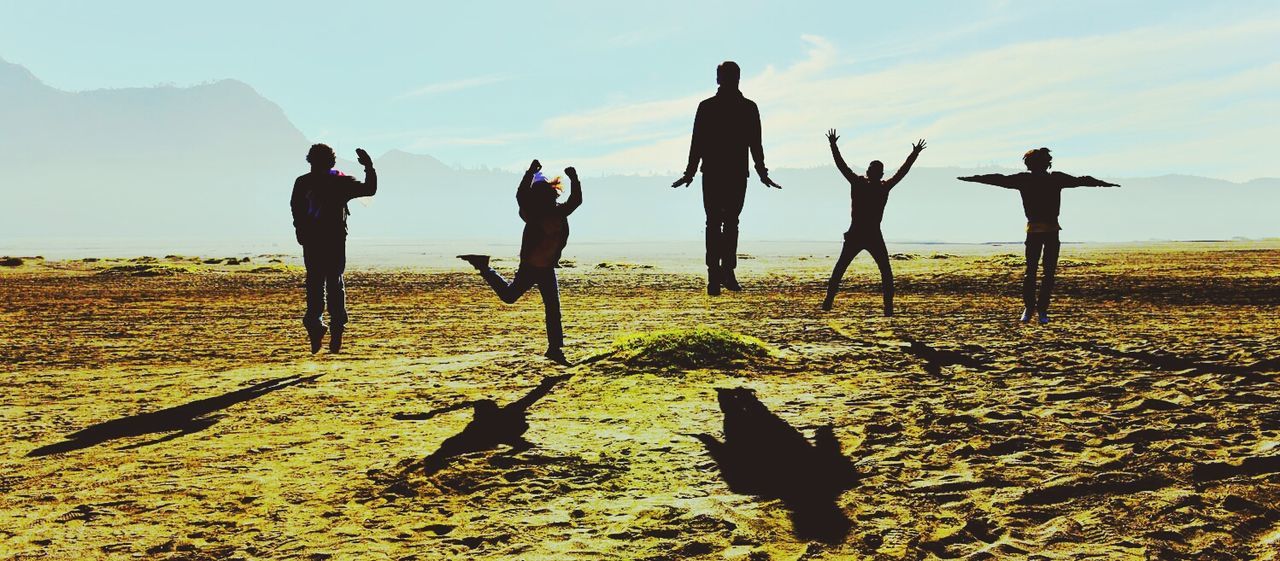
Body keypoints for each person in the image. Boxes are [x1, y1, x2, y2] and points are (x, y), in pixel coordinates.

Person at [957, 148, 1118, 324]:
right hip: (1037, 231)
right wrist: (971, 179)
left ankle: (1038, 309)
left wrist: (1104, 183)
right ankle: (1034, 309)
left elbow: (997, 179)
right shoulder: (1036, 179)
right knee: (1038, 272)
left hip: (1048, 231)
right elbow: (996, 179)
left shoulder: (1048, 179)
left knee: (1039, 272)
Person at [672, 61, 782, 296]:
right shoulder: (721, 107)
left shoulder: (736, 107)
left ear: (721, 79)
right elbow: (698, 142)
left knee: (721, 223)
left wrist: (762, 172)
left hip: (724, 174)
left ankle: (720, 273)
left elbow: (754, 143)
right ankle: (719, 273)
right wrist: (689, 172)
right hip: (720, 173)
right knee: (724, 223)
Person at [459, 159, 582, 365]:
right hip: (531, 267)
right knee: (510, 296)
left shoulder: (559, 211)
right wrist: (529, 173)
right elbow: (521, 196)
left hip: (547, 269)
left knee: (553, 309)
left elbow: (576, 200)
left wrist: (574, 178)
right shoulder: (533, 215)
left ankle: (555, 350)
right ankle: (484, 267)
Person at [822, 130, 925, 316]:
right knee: (883, 272)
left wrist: (833, 145)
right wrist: (914, 154)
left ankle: (830, 300)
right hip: (866, 234)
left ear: (870, 172)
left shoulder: (863, 183)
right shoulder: (878, 186)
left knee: (844, 269)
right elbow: (902, 172)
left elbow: (842, 166)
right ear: (877, 173)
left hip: (862, 234)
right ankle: (887, 308)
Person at [290, 144, 377, 353]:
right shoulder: (339, 181)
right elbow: (369, 189)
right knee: (334, 285)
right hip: (334, 240)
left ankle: (316, 328)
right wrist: (369, 167)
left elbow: (296, 210)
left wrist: (300, 232)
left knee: (315, 285)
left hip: (313, 242)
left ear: (310, 161)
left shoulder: (303, 182)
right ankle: (335, 330)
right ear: (332, 162)